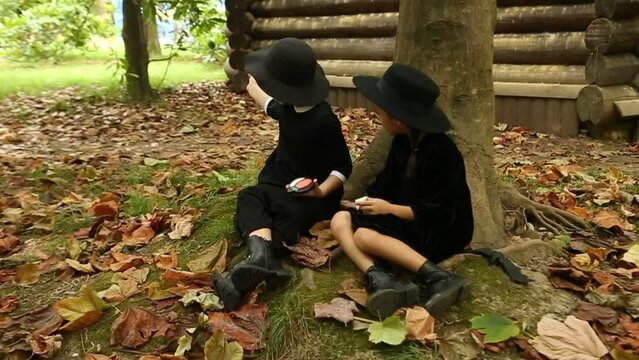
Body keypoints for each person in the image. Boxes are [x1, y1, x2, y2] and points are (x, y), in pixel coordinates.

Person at [213, 38, 353, 310]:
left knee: (266, 209)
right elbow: (269, 105)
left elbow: (343, 166)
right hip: (281, 191)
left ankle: (248, 269)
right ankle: (260, 262)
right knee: (265, 211)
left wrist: (322, 190)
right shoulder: (290, 108)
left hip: (310, 198)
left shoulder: (324, 120)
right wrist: (251, 85)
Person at [330, 64, 474, 319]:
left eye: (381, 110)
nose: (377, 113)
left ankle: (440, 278)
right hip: (401, 217)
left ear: (398, 118)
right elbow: (386, 183)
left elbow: (440, 213)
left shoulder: (442, 152)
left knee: (363, 236)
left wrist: (389, 209)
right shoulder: (401, 142)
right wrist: (364, 202)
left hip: (441, 229)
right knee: (340, 219)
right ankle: (381, 279)